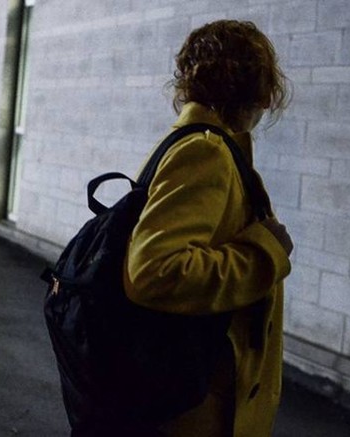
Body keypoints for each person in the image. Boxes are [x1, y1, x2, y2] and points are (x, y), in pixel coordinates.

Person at [124, 21, 293, 436]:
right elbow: (154, 271)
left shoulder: (188, 143)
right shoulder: (206, 151)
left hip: (185, 390)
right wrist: (264, 252)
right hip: (197, 402)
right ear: (258, 90)